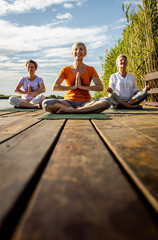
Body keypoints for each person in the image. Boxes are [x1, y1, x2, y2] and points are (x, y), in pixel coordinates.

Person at [42, 42, 111, 113]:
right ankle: (76, 110)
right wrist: (73, 87)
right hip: (68, 102)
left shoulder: (91, 69)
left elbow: (100, 87)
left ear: (85, 53)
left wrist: (82, 87)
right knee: (46, 103)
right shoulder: (65, 69)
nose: (78, 51)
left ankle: (75, 110)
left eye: (81, 49)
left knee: (107, 101)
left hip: (85, 103)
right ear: (72, 53)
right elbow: (55, 87)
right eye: (76, 49)